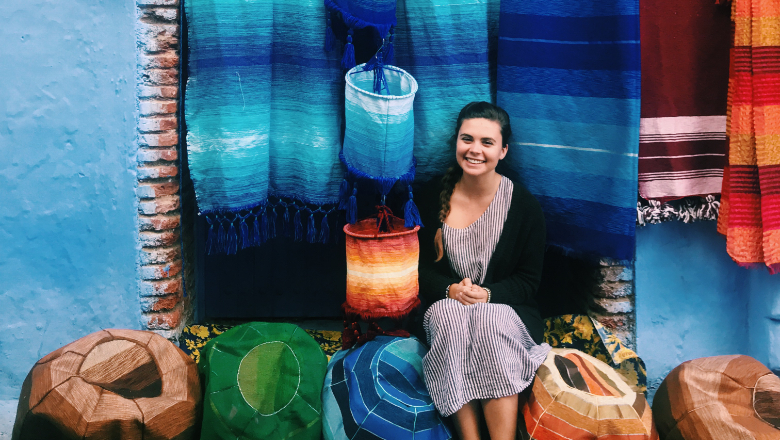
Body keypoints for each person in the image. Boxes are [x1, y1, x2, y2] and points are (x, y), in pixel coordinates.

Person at [413, 102, 551, 440]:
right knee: (450, 315)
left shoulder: (524, 207)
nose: (475, 150)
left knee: (488, 320)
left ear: (503, 150)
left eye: (487, 142)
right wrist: (451, 291)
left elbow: (528, 282)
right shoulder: (430, 197)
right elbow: (413, 270)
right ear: (456, 143)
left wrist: (488, 295)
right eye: (467, 139)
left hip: (508, 312)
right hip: (448, 305)